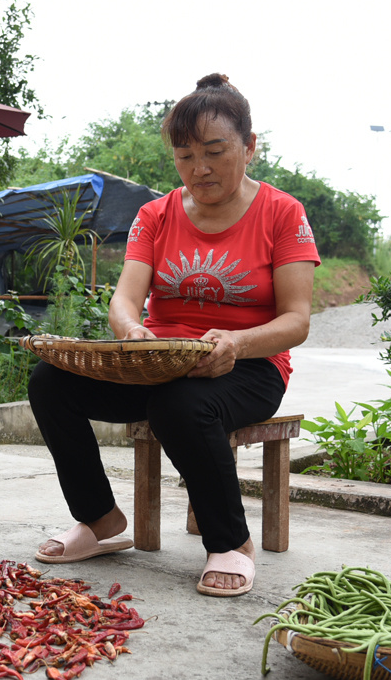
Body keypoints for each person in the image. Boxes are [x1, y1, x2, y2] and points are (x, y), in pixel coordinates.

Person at [28, 74, 320, 597]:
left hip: (249, 365)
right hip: (158, 360)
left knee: (180, 405)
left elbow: (296, 321)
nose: (199, 169)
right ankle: (98, 521)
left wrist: (237, 344)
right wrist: (131, 331)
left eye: (214, 151)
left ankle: (229, 543)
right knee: (50, 381)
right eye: (184, 156)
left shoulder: (283, 213)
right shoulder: (155, 215)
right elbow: (125, 298)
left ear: (250, 147)